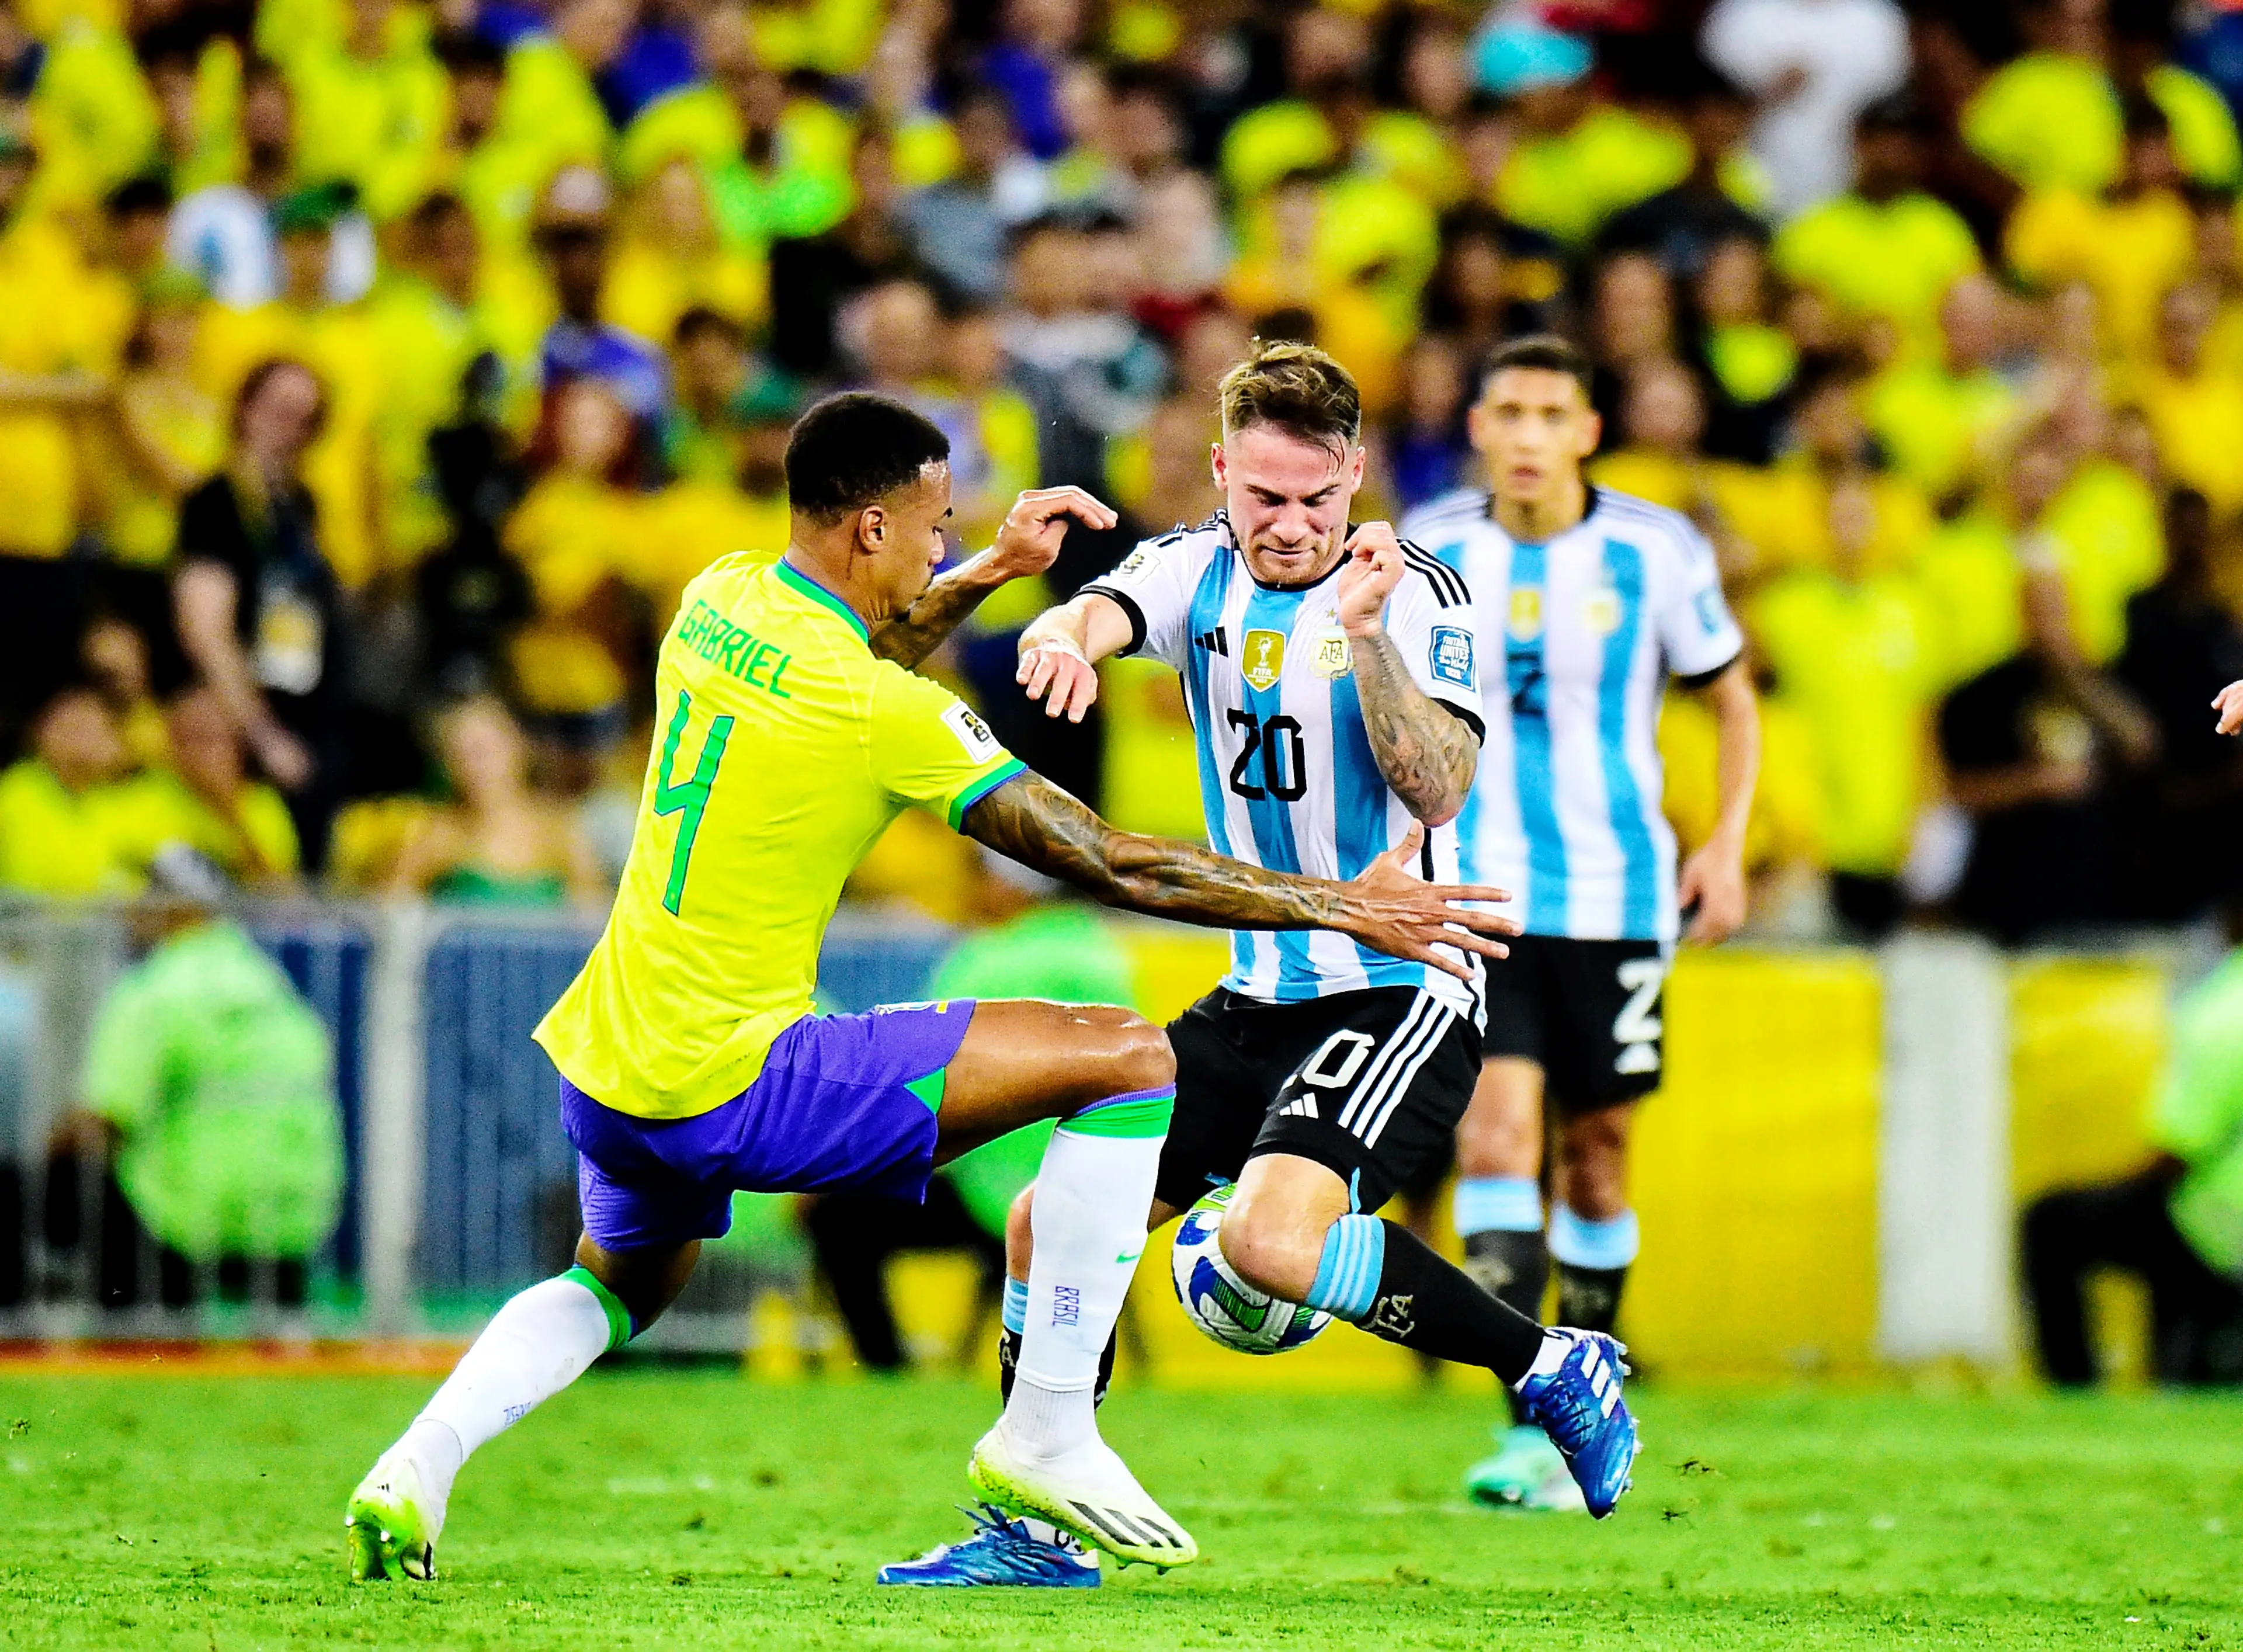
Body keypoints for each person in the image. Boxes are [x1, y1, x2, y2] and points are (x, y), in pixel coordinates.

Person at [343, 391, 1523, 1584]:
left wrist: (997, 572)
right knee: (1130, 1057)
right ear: (872, 528)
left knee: (614, 1286)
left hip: (611, 1060)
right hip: (744, 1073)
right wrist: (1344, 903)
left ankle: (414, 1464)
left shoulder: (718, 599)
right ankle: (1050, 1436)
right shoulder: (888, 712)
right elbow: (1111, 860)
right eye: (938, 525)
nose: (945, 546)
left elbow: (857, 649)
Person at [883, 342, 1643, 1590]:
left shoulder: (1420, 593)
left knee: (1271, 1247)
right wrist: (1066, 630)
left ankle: (1554, 1363)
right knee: (1044, 1223)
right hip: (1256, 993)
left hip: (1399, 989)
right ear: (1224, 473)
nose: (1291, 526)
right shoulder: (1198, 567)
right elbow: (1105, 608)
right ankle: (1036, 1525)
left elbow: (1439, 785)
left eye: (1317, 499)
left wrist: (1368, 640)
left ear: (1356, 474)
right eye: (1265, 497)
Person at [1400, 335, 1759, 1511]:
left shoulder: (1655, 549)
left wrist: (1724, 843)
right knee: (1498, 1138)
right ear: (1479, 427)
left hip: (1619, 895)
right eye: (1508, 411)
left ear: (1589, 431)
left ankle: (1592, 1397)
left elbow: (1732, 698)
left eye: (1552, 414)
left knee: (1597, 1162)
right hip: (1481, 897)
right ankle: (1528, 1424)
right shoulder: (1432, 547)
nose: (1528, 435)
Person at [52, 847, 342, 1310]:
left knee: (40, 1184)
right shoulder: (273, 985)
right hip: (290, 1228)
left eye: (147, 893)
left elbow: (99, 1123)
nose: (132, 907)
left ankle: (58, 1330)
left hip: (185, 1231)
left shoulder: (154, 989)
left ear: (179, 907)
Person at [2021, 885, 2243, 1386]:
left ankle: (2075, 1387)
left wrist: (2123, 1182)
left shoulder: (2221, 1011)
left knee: (2051, 1222)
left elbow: (2181, 1149)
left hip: (2214, 1220)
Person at [171, 358, 349, 869]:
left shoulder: (299, 506)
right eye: (279, 410)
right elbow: (205, 630)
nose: (290, 429)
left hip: (309, 717)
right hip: (256, 733)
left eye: (306, 418)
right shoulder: (216, 502)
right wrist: (262, 734)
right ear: (245, 410)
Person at [385, 694, 606, 908]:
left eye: (483, 751)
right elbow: (389, 906)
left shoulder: (559, 830)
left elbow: (592, 915)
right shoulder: (437, 834)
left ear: (518, 747)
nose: (474, 767)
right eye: (460, 755)